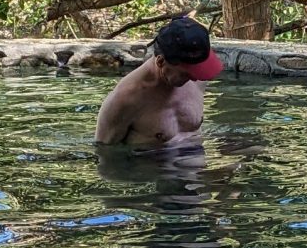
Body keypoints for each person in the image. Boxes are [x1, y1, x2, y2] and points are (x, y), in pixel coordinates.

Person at [94, 16, 224, 149]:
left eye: (199, 70)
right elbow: (105, 153)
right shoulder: (125, 99)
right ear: (161, 61)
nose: (196, 78)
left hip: (196, 166)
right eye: (187, 73)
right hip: (154, 167)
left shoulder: (198, 75)